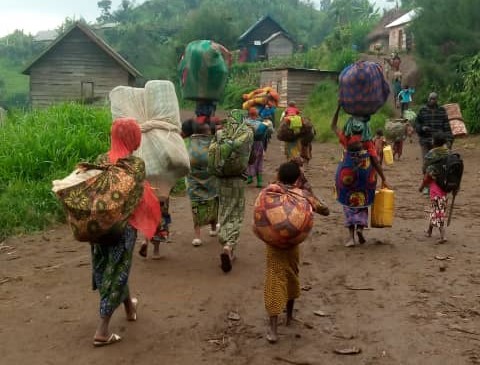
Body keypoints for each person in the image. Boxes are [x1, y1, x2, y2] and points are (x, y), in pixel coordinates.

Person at [91, 118, 161, 347]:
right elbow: (137, 198)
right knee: (117, 270)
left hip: (98, 226)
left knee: (109, 266)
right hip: (123, 228)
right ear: (132, 137)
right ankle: (102, 330)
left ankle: (130, 307)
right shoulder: (136, 164)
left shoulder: (100, 160)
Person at [263, 160, 330, 343]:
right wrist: (307, 191)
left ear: (278, 176)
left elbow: (259, 215)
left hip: (273, 245)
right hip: (292, 245)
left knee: (275, 279)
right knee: (292, 275)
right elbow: (325, 210)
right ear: (297, 178)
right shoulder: (302, 195)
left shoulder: (269, 191)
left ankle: (273, 328)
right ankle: (289, 317)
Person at [331, 105, 390, 247]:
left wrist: (338, 108)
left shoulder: (346, 140)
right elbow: (375, 161)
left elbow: (333, 126)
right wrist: (383, 178)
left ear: (349, 127)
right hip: (365, 178)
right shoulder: (368, 143)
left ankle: (351, 237)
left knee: (348, 205)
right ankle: (360, 229)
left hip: (346, 177)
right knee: (362, 203)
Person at [184, 119, 219, 247]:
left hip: (194, 181)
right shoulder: (214, 143)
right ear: (208, 131)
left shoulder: (189, 143)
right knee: (214, 203)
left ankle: (197, 237)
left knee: (196, 207)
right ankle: (213, 229)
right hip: (212, 181)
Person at [418, 133, 449, 244]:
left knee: (437, 210)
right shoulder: (448, 152)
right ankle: (429, 231)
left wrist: (421, 187)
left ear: (434, 142)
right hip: (446, 186)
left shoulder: (431, 156)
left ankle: (443, 235)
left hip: (436, 188)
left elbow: (426, 175)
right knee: (436, 208)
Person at [415, 92, 454, 166]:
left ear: (437, 100)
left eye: (434, 99)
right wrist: (422, 128)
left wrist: (449, 141)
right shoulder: (422, 110)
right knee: (426, 163)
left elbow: (447, 127)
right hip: (425, 140)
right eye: (430, 98)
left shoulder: (442, 111)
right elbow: (416, 124)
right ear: (428, 99)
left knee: (440, 164)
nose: (432, 100)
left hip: (439, 141)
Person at [246, 107, 273, 188]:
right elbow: (271, 131)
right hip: (259, 144)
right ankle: (259, 181)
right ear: (257, 115)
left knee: (249, 160)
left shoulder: (245, 123)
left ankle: (249, 177)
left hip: (248, 144)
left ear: (249, 114)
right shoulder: (261, 124)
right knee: (259, 161)